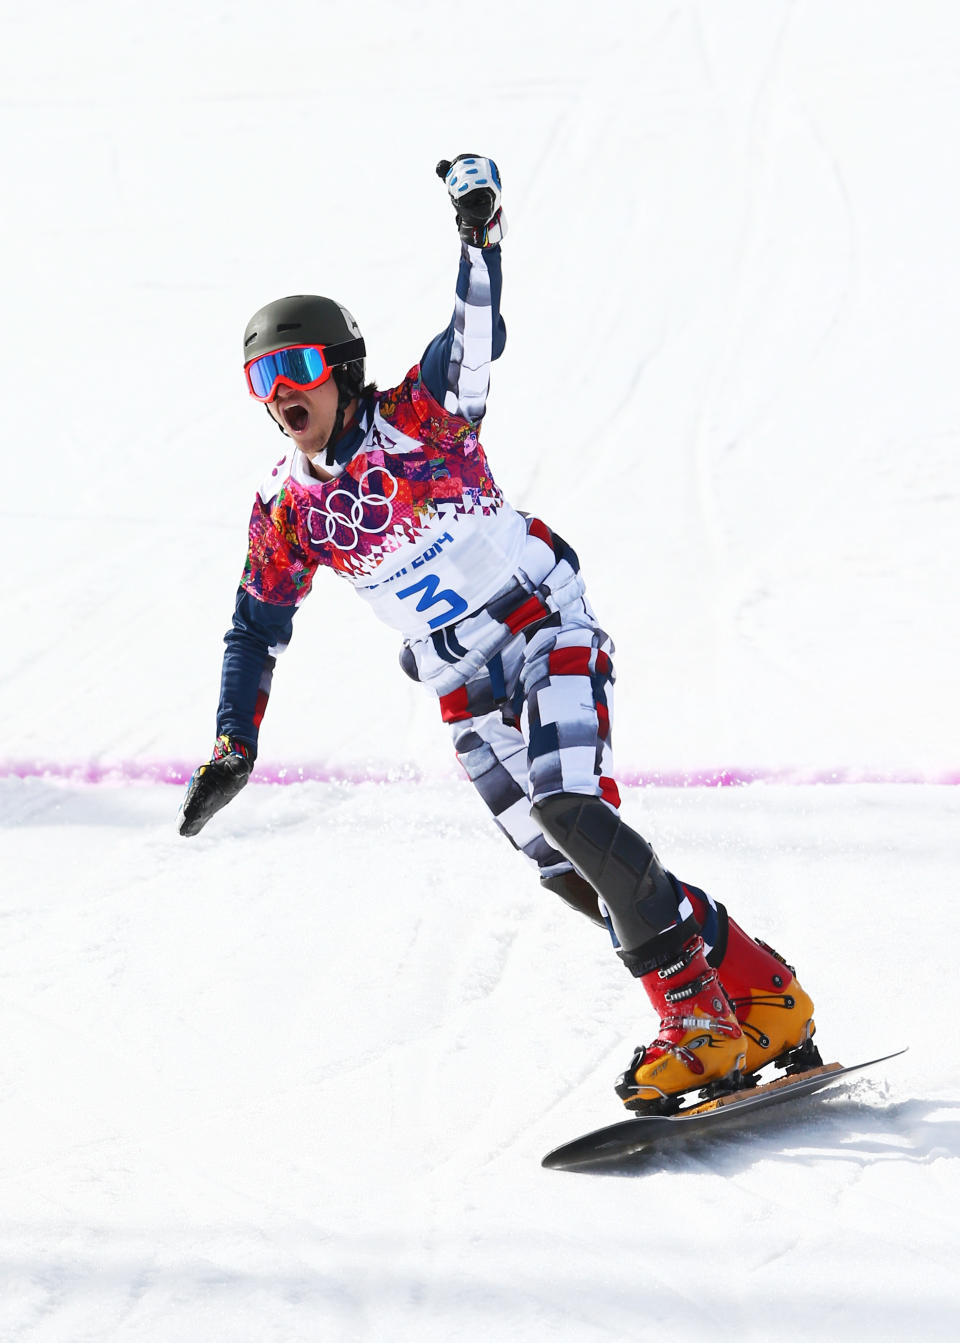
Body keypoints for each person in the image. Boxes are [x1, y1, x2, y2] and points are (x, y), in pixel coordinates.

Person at [178, 154, 818, 1113]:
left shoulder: (423, 422)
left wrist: (478, 240)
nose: (280, 393)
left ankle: (698, 1023)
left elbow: (471, 342)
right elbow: (253, 628)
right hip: (461, 687)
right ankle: (761, 991)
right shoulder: (287, 510)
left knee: (569, 803)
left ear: (342, 370)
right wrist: (235, 740)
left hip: (542, 627)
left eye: (296, 368)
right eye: (260, 378)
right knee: (573, 868)